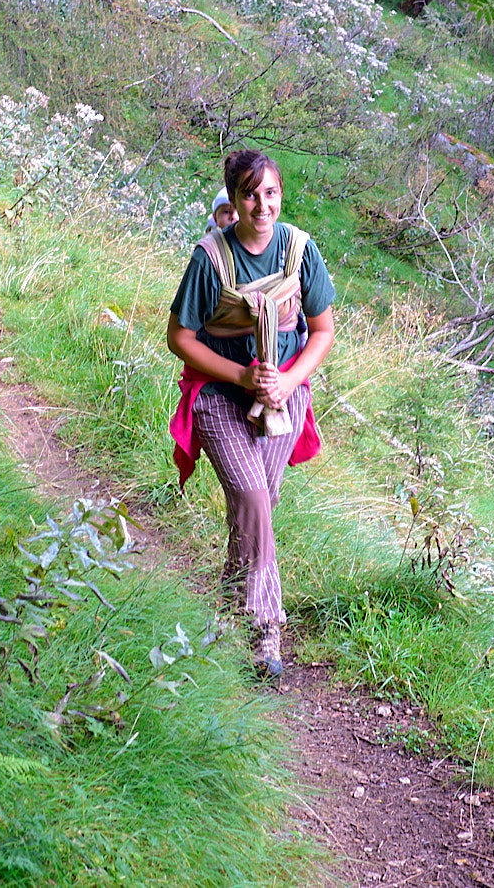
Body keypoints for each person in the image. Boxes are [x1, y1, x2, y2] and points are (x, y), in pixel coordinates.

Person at [166, 150, 336, 677]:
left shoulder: (301, 250)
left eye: (270, 193)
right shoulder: (210, 258)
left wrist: (286, 379)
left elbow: (323, 330)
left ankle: (226, 611)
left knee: (256, 508)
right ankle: (267, 632)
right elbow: (179, 338)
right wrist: (241, 376)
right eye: (249, 193)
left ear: (280, 195)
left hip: (284, 402)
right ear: (232, 199)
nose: (261, 205)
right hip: (220, 399)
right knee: (254, 501)